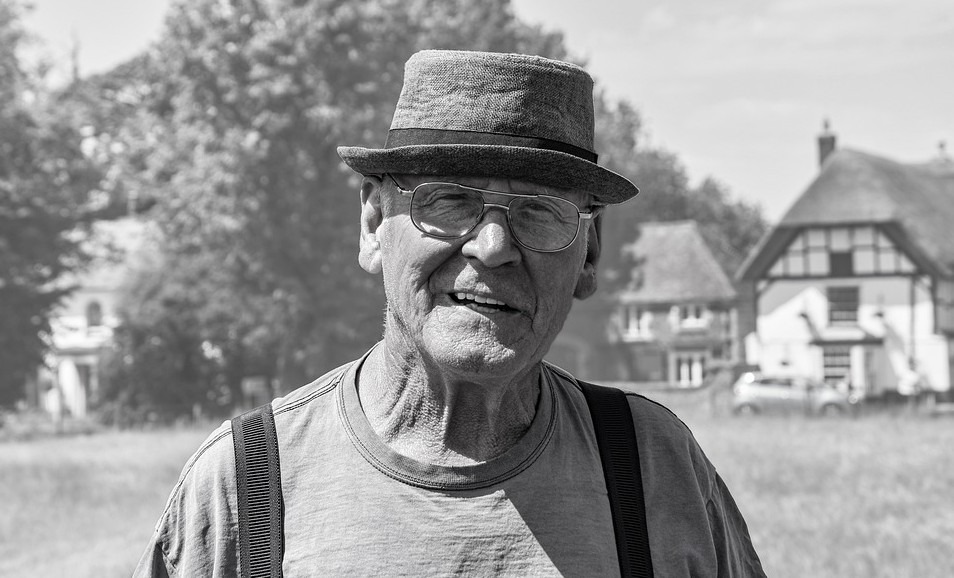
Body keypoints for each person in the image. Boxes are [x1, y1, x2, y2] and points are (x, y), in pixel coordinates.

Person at [134, 49, 765, 577]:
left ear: (590, 254)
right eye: (450, 201)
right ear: (374, 223)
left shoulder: (657, 469)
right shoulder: (246, 486)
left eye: (540, 211)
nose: (492, 248)